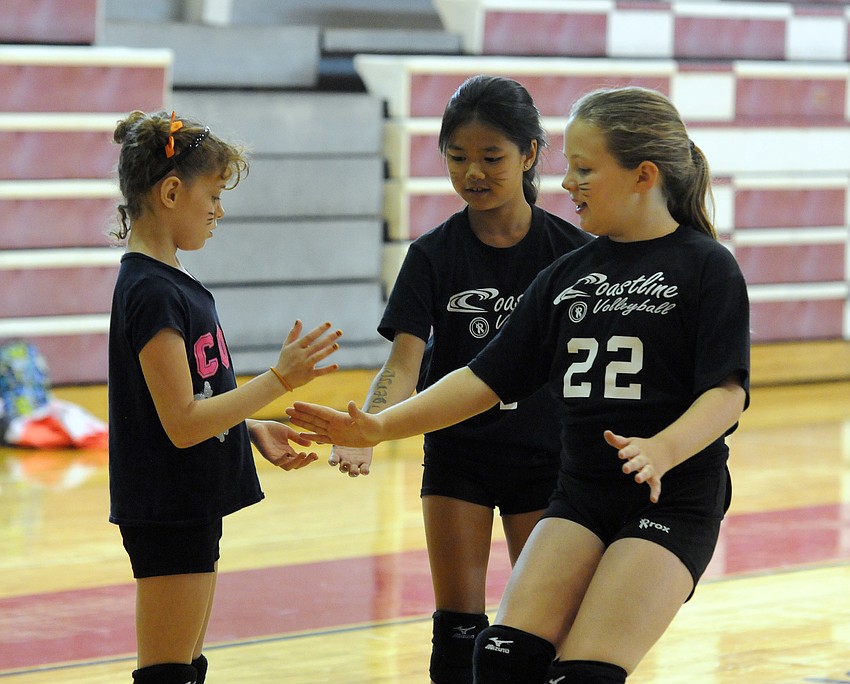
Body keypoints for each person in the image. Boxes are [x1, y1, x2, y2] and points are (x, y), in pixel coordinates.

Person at [287, 85, 750, 683]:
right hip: (580, 496)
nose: (567, 184)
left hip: (671, 499)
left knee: (582, 671)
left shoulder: (706, 266)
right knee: (501, 658)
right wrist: (378, 427)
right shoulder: (566, 275)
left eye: (584, 170)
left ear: (643, 175)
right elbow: (480, 379)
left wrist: (664, 448)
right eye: (569, 169)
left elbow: (727, 392)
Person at [326, 74, 591, 684]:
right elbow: (403, 362)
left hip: (548, 458)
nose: (473, 172)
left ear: (528, 154)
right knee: (458, 629)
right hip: (459, 457)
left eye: (492, 157)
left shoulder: (572, 254)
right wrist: (367, 428)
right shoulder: (432, 255)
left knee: (543, 627)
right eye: (457, 157)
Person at [107, 110, 342, 684]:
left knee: (186, 668)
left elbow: (197, 400)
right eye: (211, 195)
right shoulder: (151, 292)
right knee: (167, 672)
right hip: (168, 508)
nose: (218, 210)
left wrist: (249, 427)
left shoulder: (167, 281)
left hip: (188, 501)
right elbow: (182, 423)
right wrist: (279, 381)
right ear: (170, 191)